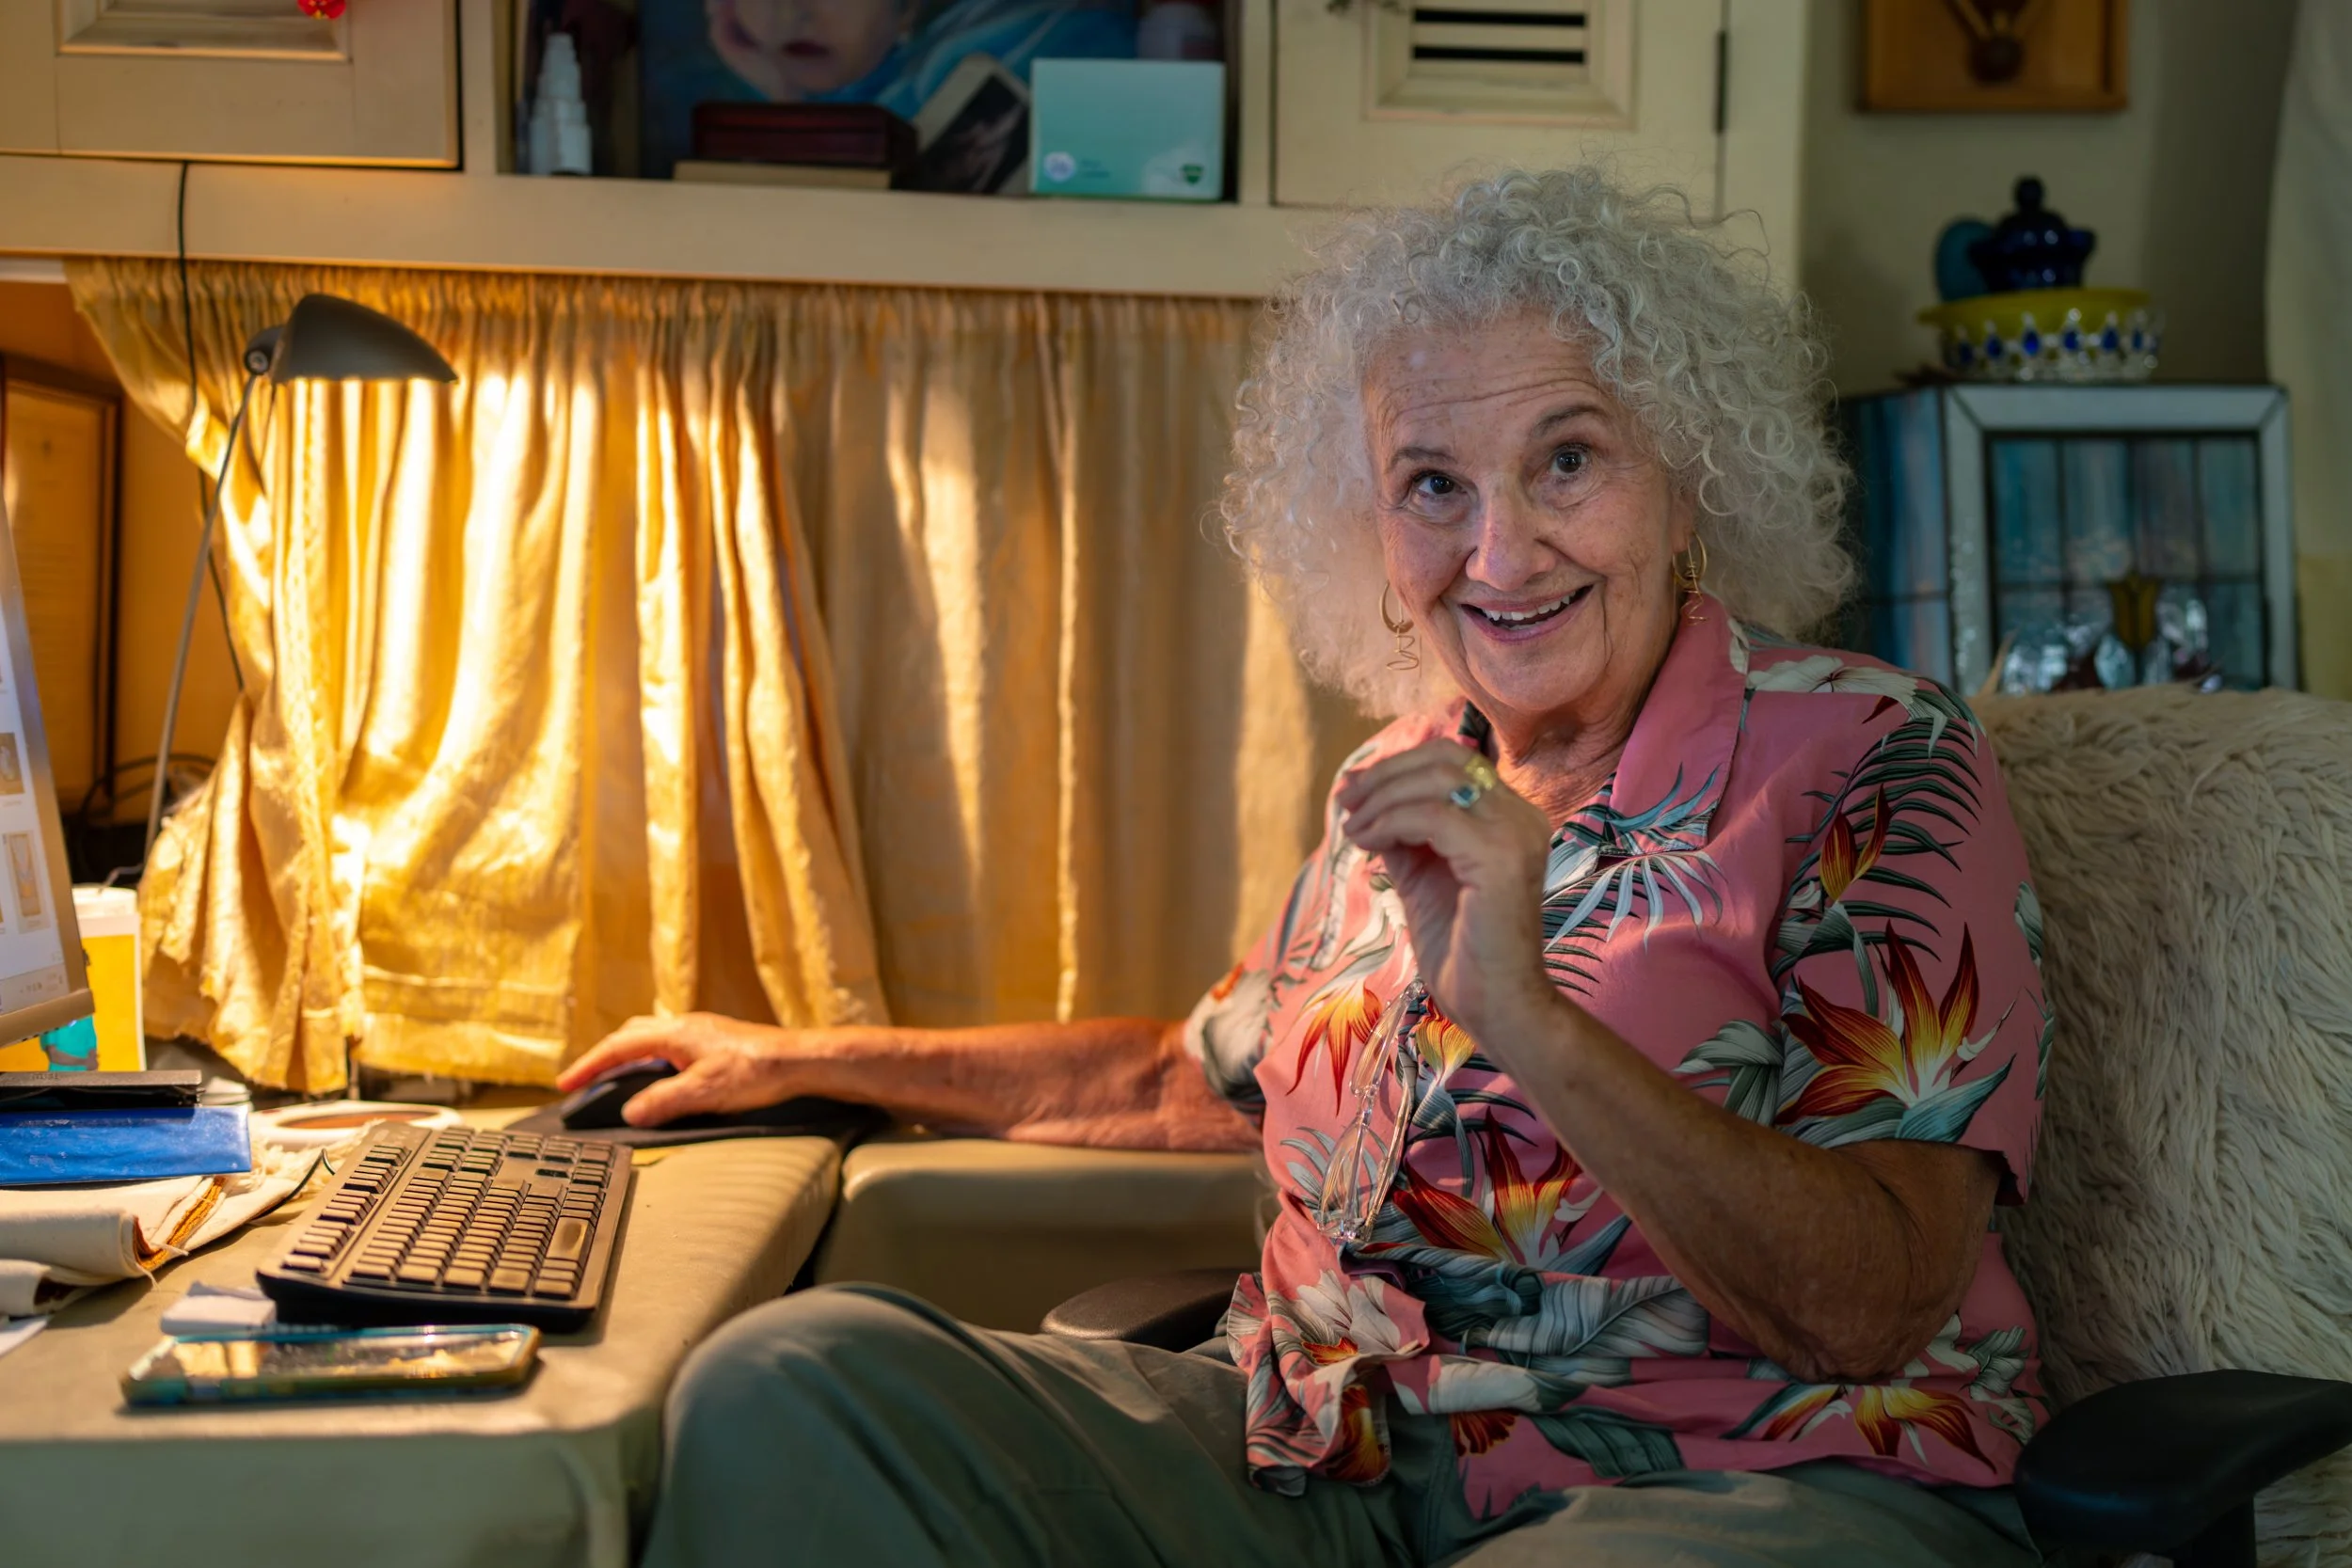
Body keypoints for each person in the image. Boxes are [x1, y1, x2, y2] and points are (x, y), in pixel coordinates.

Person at [561, 166, 2055, 1567]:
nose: (1502, 552)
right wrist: (802, 1055)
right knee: (794, 1380)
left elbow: (1871, 1301)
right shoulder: (1412, 776)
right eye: (1432, 486)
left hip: (1741, 1480)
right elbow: (1182, 1075)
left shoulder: (1868, 759)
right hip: (1321, 1457)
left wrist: (1531, 1016)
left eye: (1570, 459)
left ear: (1689, 479)